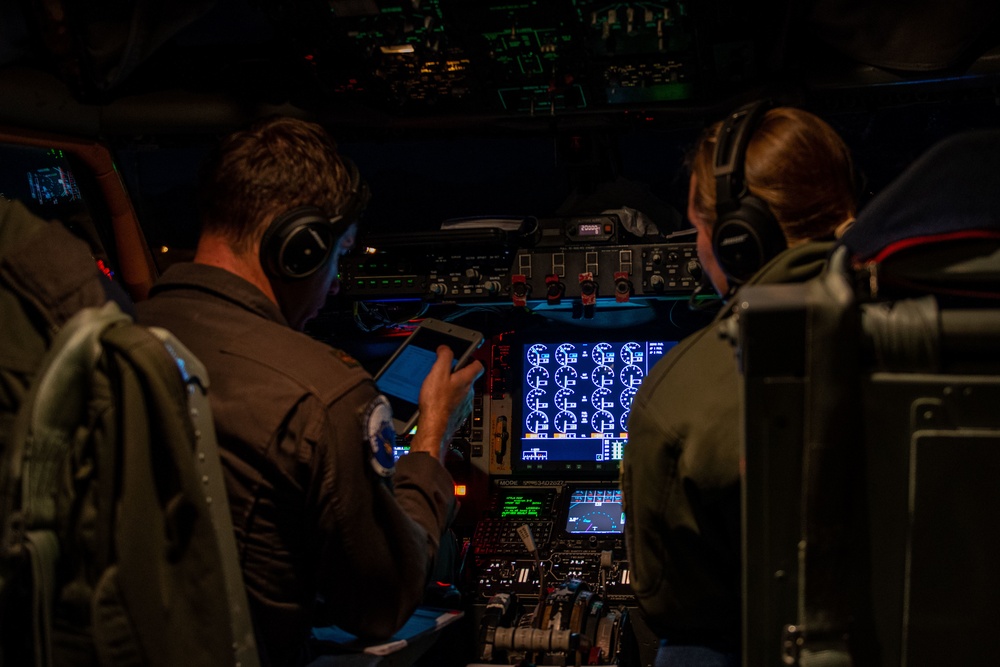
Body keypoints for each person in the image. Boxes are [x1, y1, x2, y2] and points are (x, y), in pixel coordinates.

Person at [136, 115, 483, 666]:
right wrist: (432, 436)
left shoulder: (114, 337)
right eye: (339, 256)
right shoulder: (321, 395)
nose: (338, 281)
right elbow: (381, 602)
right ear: (299, 246)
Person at [621, 103, 858, 666]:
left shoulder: (679, 395)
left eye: (699, 226)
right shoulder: (936, 326)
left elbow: (664, 597)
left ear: (737, 240)